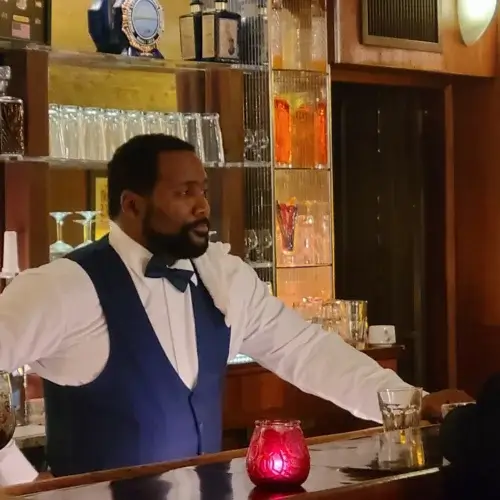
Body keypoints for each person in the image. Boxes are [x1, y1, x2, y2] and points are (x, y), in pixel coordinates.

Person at [0, 135, 470, 485]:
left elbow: (306, 351)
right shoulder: (64, 286)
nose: (204, 205)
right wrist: (22, 482)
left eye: (203, 189)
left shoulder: (220, 278)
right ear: (132, 205)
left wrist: (409, 400)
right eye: (184, 193)